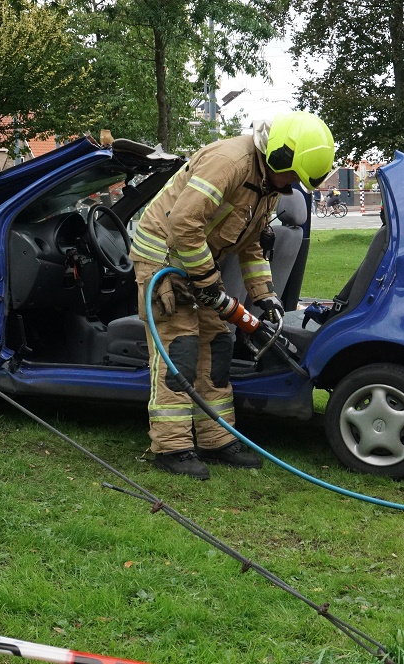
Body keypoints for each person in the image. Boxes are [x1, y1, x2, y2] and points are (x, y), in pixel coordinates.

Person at [130, 111, 335, 480]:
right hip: (162, 257)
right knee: (181, 348)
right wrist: (208, 282)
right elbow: (182, 224)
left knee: (218, 345)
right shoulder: (230, 162)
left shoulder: (268, 184)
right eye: (292, 175)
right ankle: (172, 447)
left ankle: (217, 439)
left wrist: (265, 294)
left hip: (196, 261)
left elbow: (251, 243)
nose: (291, 185)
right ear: (279, 155)